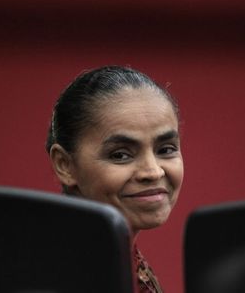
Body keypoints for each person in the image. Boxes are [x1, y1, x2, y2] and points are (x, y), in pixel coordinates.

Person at [45, 65, 184, 293]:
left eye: (166, 149)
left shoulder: (124, 261)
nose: (153, 172)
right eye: (120, 155)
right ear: (65, 165)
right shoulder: (52, 276)